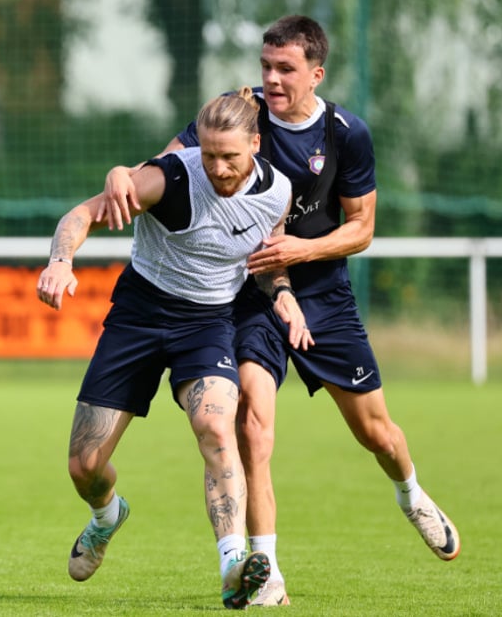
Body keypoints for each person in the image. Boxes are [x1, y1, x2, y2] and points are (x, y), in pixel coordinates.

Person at [99, 15, 460, 607]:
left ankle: (410, 492)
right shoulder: (238, 117)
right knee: (250, 424)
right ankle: (264, 569)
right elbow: (164, 169)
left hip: (324, 296)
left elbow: (362, 228)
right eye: (266, 66)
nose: (271, 79)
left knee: (377, 433)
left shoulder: (348, 134)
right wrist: (121, 175)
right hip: (250, 296)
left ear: (316, 73)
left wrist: (302, 249)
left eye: (285, 68)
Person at [37, 88, 315, 610]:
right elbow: (81, 216)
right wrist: (60, 262)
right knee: (83, 466)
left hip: (208, 321)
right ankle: (107, 515)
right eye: (208, 154)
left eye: (230, 156)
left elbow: (268, 254)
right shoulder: (170, 178)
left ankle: (234, 566)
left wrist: (282, 294)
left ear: (256, 144)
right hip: (140, 315)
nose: (217, 167)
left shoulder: (278, 191)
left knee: (216, 425)